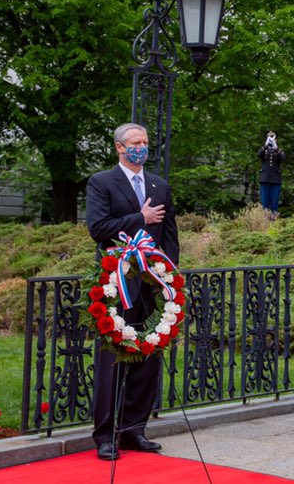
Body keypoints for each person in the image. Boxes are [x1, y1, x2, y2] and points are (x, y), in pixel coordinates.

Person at [85, 123, 179, 461]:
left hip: (151, 285)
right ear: (120, 148)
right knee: (113, 359)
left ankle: (134, 429)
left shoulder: (160, 185)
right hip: (117, 285)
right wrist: (138, 218)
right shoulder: (102, 182)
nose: (142, 147)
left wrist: (168, 279)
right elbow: (98, 228)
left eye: (145, 142)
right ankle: (106, 435)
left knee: (147, 357)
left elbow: (169, 236)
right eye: (135, 142)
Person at [257, 131, 285, 220]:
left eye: (272, 137)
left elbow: (282, 158)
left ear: (276, 139)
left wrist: (275, 146)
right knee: (265, 202)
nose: (271, 138)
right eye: (269, 137)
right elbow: (259, 155)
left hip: (275, 179)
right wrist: (265, 145)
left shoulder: (279, 150)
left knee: (274, 202)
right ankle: (265, 220)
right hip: (264, 179)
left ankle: (274, 220)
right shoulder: (264, 150)